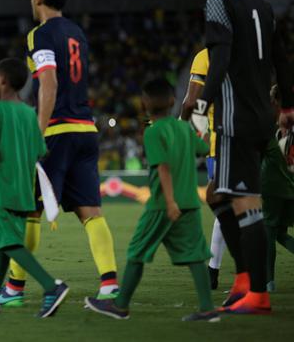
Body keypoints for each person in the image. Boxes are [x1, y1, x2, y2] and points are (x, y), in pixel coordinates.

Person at [0, 0, 118, 307]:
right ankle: (110, 285)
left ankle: (14, 290)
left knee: (29, 212)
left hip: (58, 132)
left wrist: (37, 135)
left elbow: (48, 83)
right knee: (91, 212)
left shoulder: (40, 35)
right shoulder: (78, 33)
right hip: (85, 130)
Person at [192, 0, 294, 314]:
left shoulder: (218, 3)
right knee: (218, 195)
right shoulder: (264, 6)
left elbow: (219, 58)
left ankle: (256, 293)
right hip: (263, 117)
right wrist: (287, 105)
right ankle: (242, 282)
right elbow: (282, 58)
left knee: (244, 202)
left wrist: (203, 102)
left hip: (235, 118)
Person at [85, 78, 217, 322]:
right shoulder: (183, 129)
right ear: (171, 101)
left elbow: (163, 167)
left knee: (136, 251)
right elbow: (203, 148)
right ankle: (208, 308)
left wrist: (169, 202)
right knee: (196, 255)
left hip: (162, 205)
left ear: (144, 104)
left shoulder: (153, 132)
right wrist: (205, 128)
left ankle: (121, 306)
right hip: (189, 202)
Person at [0, 58, 69, 318]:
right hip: (24, 192)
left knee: (8, 243)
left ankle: (52, 286)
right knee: (3, 245)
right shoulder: (29, 113)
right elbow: (41, 151)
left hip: (2, 191)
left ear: (3, 81)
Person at [181, 48, 225, 289]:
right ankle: (256, 276)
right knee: (250, 208)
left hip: (221, 144)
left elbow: (191, 102)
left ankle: (214, 271)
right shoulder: (250, 51)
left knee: (222, 204)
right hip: (253, 140)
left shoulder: (206, 56)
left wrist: (178, 127)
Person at [262, 85, 294, 292]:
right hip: (286, 189)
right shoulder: (280, 131)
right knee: (280, 233)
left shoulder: (277, 131)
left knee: (268, 232)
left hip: (276, 189)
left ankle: (268, 282)